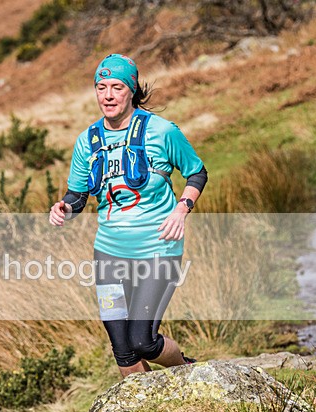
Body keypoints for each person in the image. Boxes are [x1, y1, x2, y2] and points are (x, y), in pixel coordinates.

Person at [49, 54, 207, 378]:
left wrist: (182, 208)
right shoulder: (87, 141)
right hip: (108, 253)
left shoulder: (162, 131)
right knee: (122, 348)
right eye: (101, 87)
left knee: (143, 341)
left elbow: (197, 173)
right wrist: (64, 207)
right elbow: (78, 196)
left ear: (131, 90)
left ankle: (191, 378)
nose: (108, 95)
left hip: (157, 249)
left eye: (117, 87)